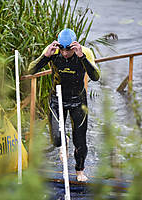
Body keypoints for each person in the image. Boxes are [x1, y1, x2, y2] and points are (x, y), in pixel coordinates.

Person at [28, 28, 100, 181]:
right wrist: (45, 56)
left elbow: (95, 77)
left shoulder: (85, 52)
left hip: (78, 101)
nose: (65, 53)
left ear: (75, 45)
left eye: (69, 50)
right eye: (62, 49)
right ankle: (63, 141)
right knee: (56, 139)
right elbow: (31, 70)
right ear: (58, 45)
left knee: (79, 141)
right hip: (57, 99)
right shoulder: (52, 51)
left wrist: (81, 57)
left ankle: (80, 171)